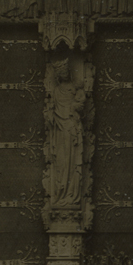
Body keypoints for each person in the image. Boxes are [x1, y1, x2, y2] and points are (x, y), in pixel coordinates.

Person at [49, 60, 85, 207]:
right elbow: (52, 111)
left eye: (65, 71)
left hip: (71, 129)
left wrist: (75, 107)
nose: (63, 74)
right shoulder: (56, 91)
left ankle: (70, 195)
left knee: (71, 162)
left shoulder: (75, 89)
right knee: (62, 163)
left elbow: (80, 106)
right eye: (61, 73)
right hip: (60, 130)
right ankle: (61, 194)